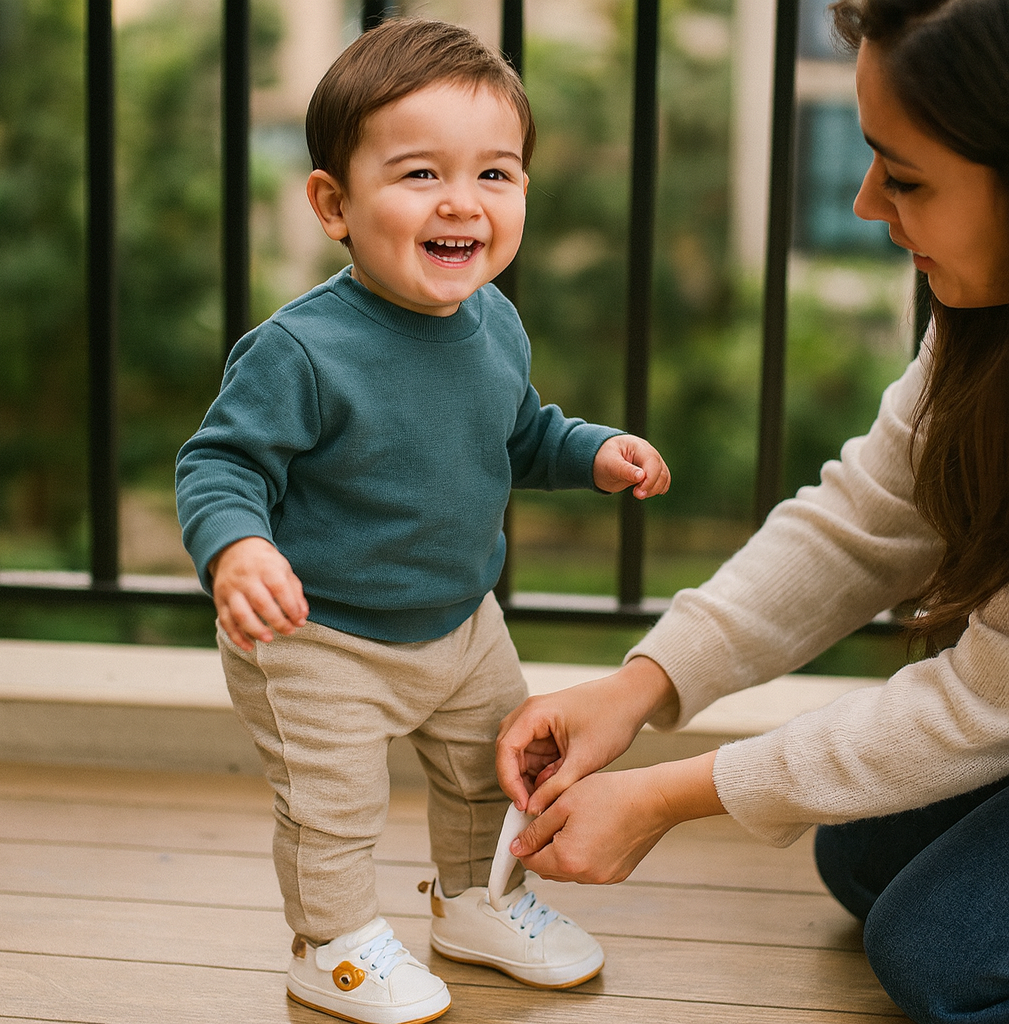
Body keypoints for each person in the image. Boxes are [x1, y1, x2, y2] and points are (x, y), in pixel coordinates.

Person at [495, 2, 1009, 1022]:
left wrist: (660, 796)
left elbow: (977, 706)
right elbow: (860, 520)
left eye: (903, 177)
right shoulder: (977, 325)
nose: (866, 202)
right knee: (857, 850)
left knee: (937, 958)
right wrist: (642, 682)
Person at [176, 17, 669, 1024]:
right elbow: (219, 461)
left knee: (493, 772)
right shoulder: (301, 350)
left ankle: (477, 900)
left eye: (496, 174)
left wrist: (588, 453)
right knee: (334, 809)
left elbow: (516, 432)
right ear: (333, 204)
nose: (461, 202)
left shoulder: (494, 319)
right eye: (417, 175)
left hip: (460, 620)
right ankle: (334, 945)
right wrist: (239, 545)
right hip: (319, 639)